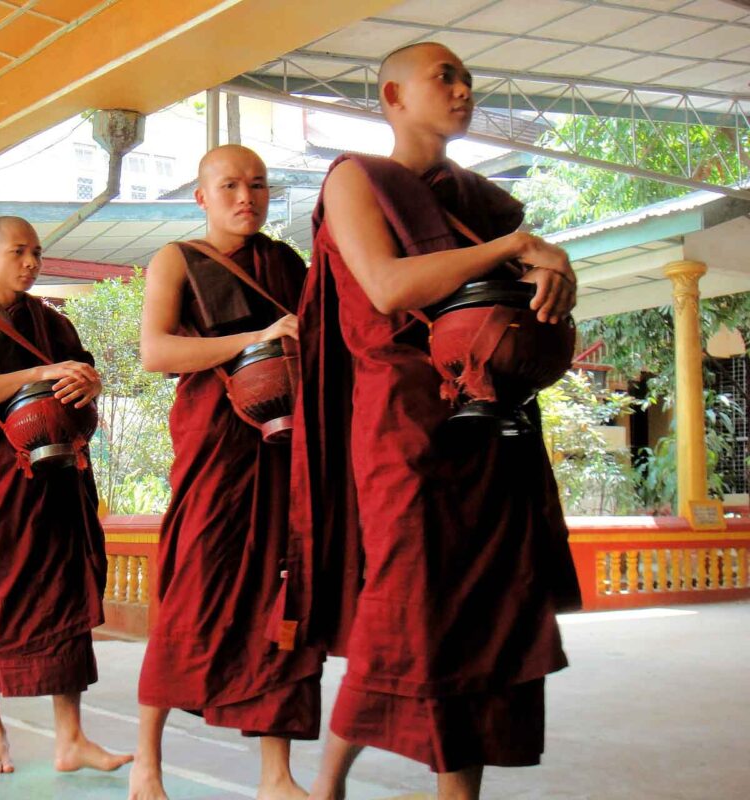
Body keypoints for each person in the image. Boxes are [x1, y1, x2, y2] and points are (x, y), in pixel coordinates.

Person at [289, 43, 581, 800]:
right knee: (406, 605)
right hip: (401, 425)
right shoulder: (357, 178)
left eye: (467, 80)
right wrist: (517, 249)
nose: (461, 89)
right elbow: (386, 287)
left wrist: (555, 275)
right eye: (442, 77)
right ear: (392, 94)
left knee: (488, 609)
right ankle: (327, 785)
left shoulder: (482, 199)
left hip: (491, 418)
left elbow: (511, 298)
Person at [129, 145, 322, 800]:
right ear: (201, 196)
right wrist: (257, 339)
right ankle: (145, 764)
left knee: (284, 598)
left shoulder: (286, 264)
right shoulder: (176, 259)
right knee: (190, 595)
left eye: (260, 185)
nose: (248, 197)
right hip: (215, 449)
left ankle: (277, 776)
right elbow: (157, 351)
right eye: (231, 185)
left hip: (285, 450)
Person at [0, 215, 129, 775]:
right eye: (18, 252)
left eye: (37, 253)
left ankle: (71, 739)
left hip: (54, 479)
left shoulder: (53, 321)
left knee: (61, 603)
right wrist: (40, 373)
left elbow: (79, 376)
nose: (30, 263)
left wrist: (87, 382)